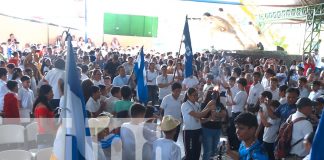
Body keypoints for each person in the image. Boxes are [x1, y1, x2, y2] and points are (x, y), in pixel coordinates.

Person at [181, 87, 215, 160]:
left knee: (197, 152)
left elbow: (199, 119)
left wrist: (209, 119)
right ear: (188, 95)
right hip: (189, 131)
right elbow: (198, 115)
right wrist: (209, 107)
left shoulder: (197, 104)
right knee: (190, 154)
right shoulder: (185, 105)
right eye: (194, 95)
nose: (196, 97)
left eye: (197, 95)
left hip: (198, 131)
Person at [201, 89, 226, 160]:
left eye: (216, 93)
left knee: (215, 150)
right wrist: (209, 110)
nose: (215, 95)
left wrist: (217, 114)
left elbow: (224, 114)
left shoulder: (220, 104)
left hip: (217, 129)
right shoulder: (204, 104)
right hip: (207, 129)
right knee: (208, 150)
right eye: (213, 94)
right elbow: (201, 117)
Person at [227, 78, 248, 150]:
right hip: (239, 111)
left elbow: (234, 103)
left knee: (233, 130)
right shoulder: (244, 92)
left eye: (238, 83)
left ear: (241, 84)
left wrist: (230, 95)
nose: (237, 85)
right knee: (236, 130)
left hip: (236, 113)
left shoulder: (241, 93)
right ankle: (235, 145)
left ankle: (234, 145)